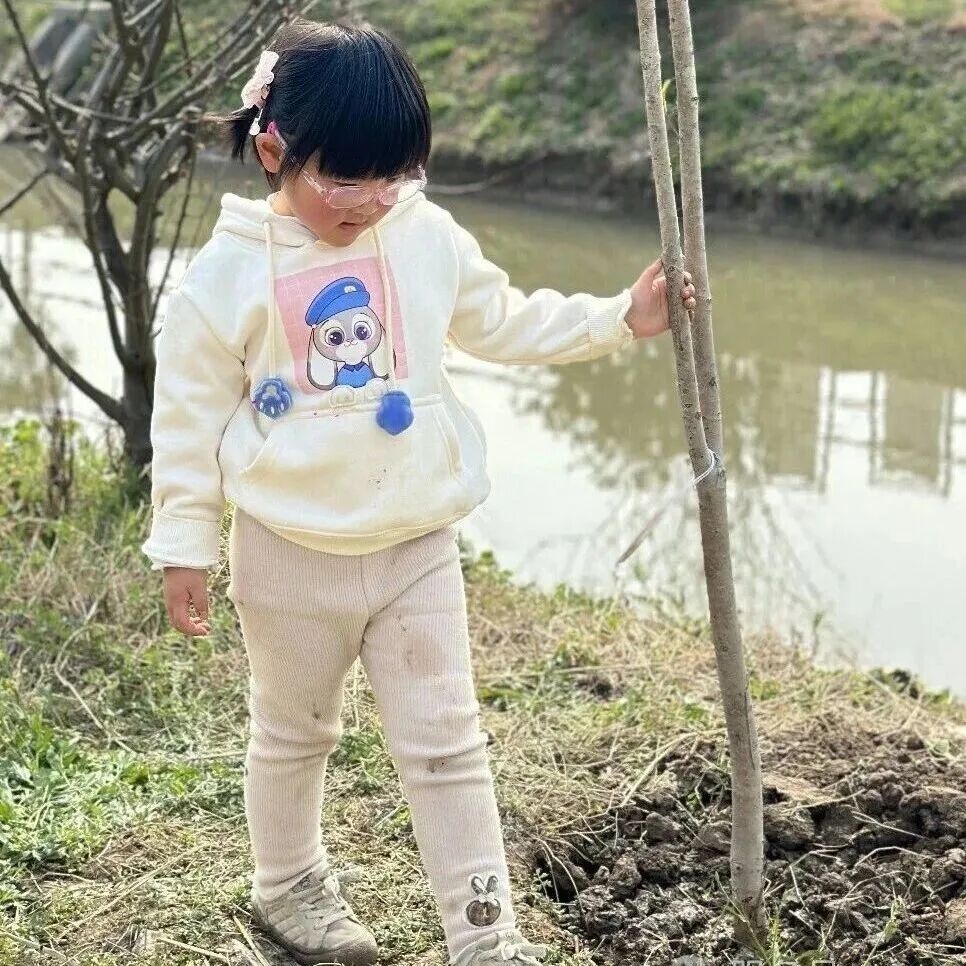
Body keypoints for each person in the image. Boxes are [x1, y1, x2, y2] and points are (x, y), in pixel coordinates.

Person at [141, 16, 696, 966]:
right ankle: (287, 888)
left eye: (393, 176)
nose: (371, 202)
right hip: (286, 550)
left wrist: (620, 318)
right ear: (274, 151)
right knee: (294, 731)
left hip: (415, 543)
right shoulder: (224, 277)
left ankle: (486, 939)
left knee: (448, 743)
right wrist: (184, 544)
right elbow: (186, 421)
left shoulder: (424, 234)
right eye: (345, 179)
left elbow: (504, 321)